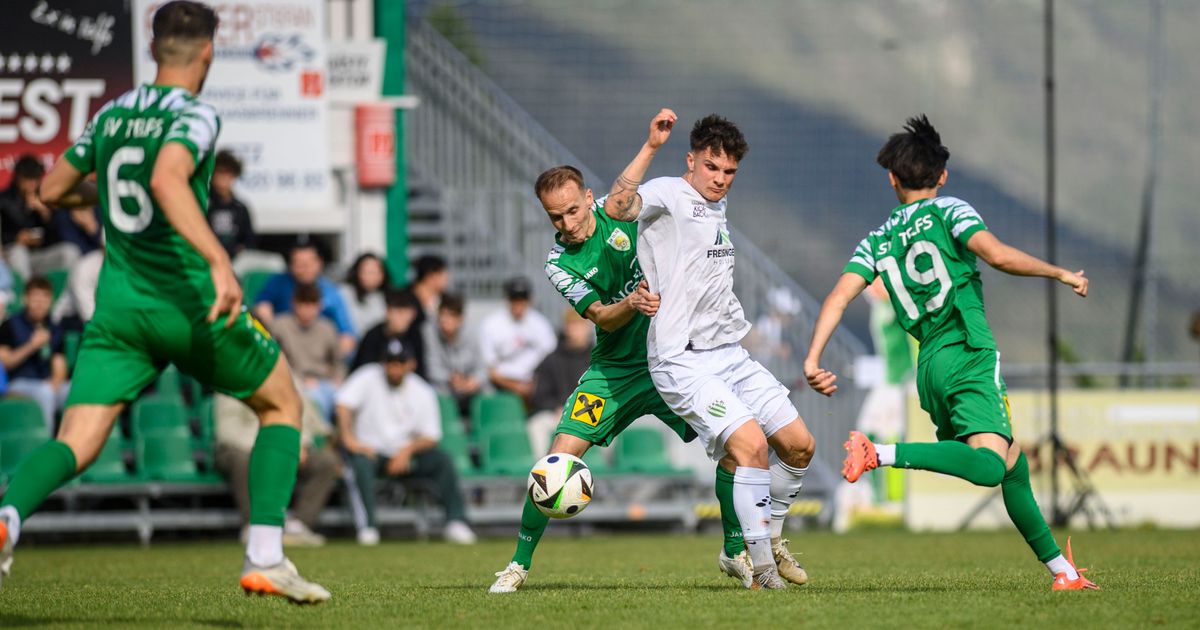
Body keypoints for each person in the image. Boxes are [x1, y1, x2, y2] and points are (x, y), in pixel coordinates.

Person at [0, 1, 329, 603]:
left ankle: (9, 518)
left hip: (119, 310)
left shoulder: (113, 112)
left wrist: (107, 200)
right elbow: (166, 178)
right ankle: (265, 556)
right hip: (187, 305)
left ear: (153, 50)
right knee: (283, 404)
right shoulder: (195, 113)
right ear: (208, 52)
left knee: (76, 440)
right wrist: (219, 259)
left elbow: (52, 188)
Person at [803, 114, 1097, 591]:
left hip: (930, 366)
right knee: (988, 466)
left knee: (1011, 463)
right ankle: (879, 452)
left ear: (893, 179)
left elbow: (838, 297)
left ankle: (1063, 573)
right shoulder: (950, 211)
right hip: (968, 351)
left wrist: (812, 359)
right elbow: (997, 255)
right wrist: (1060, 273)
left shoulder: (877, 240)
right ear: (942, 175)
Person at [490, 121, 766, 594]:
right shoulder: (558, 263)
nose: (568, 224)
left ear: (588, 198)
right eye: (556, 217)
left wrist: (652, 144)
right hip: (614, 372)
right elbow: (601, 315)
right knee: (556, 461)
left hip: (674, 362)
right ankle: (517, 565)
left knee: (737, 449)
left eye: (573, 211)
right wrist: (632, 303)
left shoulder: (619, 213)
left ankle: (733, 550)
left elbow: (632, 194)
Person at [602, 112, 816, 589]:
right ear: (691, 160)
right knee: (751, 447)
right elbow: (616, 207)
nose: (720, 179)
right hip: (682, 359)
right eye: (711, 167)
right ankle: (761, 569)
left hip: (729, 354)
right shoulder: (667, 193)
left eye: (729, 171)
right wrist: (650, 145)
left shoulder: (717, 204)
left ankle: (770, 539)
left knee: (800, 445)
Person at [336, 337, 476, 546]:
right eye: (390, 362)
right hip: (371, 452)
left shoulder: (422, 390)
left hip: (406, 455)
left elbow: (431, 436)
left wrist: (406, 451)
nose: (395, 368)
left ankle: (456, 521)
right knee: (359, 465)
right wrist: (349, 439)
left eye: (400, 363)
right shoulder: (367, 376)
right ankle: (368, 527)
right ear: (383, 363)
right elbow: (342, 404)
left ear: (411, 364)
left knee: (442, 460)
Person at [214, 373, 341, 548]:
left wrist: (299, 444)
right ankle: (254, 527)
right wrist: (269, 448)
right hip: (246, 447)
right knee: (242, 460)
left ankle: (298, 526)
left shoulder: (291, 378)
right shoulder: (232, 377)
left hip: (288, 446)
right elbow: (227, 431)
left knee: (326, 461)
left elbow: (309, 421)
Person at [253, 240, 356, 357]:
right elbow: (262, 307)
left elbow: (347, 333)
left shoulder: (331, 292)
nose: (305, 269)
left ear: (319, 263)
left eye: (309, 264)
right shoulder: (278, 283)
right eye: (299, 264)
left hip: (318, 351)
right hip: (286, 348)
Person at [0, 278, 68, 431]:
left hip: (46, 383)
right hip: (17, 383)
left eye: (45, 298)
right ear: (25, 298)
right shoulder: (9, 324)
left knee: (72, 390)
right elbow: (5, 362)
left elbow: (59, 366)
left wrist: (56, 382)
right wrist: (32, 345)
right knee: (45, 393)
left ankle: (73, 440)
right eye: (35, 298)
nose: (40, 304)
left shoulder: (54, 328)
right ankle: (46, 441)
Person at [269, 283, 345, 420]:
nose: (307, 310)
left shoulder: (327, 327)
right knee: (315, 399)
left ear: (319, 306)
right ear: (294, 304)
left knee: (345, 400)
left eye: (312, 305)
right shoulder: (280, 325)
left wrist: (337, 379)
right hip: (295, 381)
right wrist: (300, 379)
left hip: (325, 381)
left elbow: (338, 361)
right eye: (303, 304)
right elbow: (273, 358)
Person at [525, 308, 594, 456]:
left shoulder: (598, 358)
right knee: (537, 425)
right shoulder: (552, 359)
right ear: (566, 328)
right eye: (573, 325)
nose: (577, 330)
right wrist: (557, 408)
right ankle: (543, 467)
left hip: (589, 413)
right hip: (557, 413)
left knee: (611, 425)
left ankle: (606, 467)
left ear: (588, 328)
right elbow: (540, 396)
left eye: (581, 325)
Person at [0, 155, 80, 279]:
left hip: (40, 255)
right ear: (18, 178)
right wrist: (16, 238)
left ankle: (65, 292)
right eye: (28, 179)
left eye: (36, 179)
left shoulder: (46, 198)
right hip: (12, 256)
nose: (32, 184)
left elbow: (59, 236)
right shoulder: (4, 200)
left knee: (70, 252)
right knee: (19, 253)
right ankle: (26, 291)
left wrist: (45, 213)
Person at [478, 277, 556, 402]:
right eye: (514, 299)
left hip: (535, 385)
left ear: (530, 300)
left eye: (522, 300)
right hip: (501, 387)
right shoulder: (492, 324)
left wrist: (534, 386)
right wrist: (516, 387)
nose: (518, 304)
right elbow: (490, 370)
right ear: (507, 299)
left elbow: (551, 358)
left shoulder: (540, 323)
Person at [422, 292, 486, 417]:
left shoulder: (472, 333)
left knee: (487, 392)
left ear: (460, 318)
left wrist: (473, 381)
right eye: (442, 315)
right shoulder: (429, 332)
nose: (445, 320)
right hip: (444, 389)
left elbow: (482, 368)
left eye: (451, 315)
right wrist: (451, 378)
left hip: (469, 390)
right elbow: (431, 369)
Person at [351, 288, 425, 375]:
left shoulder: (415, 336)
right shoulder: (373, 335)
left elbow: (420, 372)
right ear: (388, 312)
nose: (401, 318)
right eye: (398, 312)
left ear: (413, 314)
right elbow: (363, 371)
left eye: (406, 313)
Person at [206, 149, 257, 260]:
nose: (224, 178)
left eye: (228, 173)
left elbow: (249, 239)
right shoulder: (206, 204)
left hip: (235, 260)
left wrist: (241, 250)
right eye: (220, 173)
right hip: (210, 258)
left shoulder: (240, 208)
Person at [338, 252, 391, 334]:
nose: (373, 276)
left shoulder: (387, 297)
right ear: (357, 272)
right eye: (368, 271)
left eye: (377, 271)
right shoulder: (344, 293)